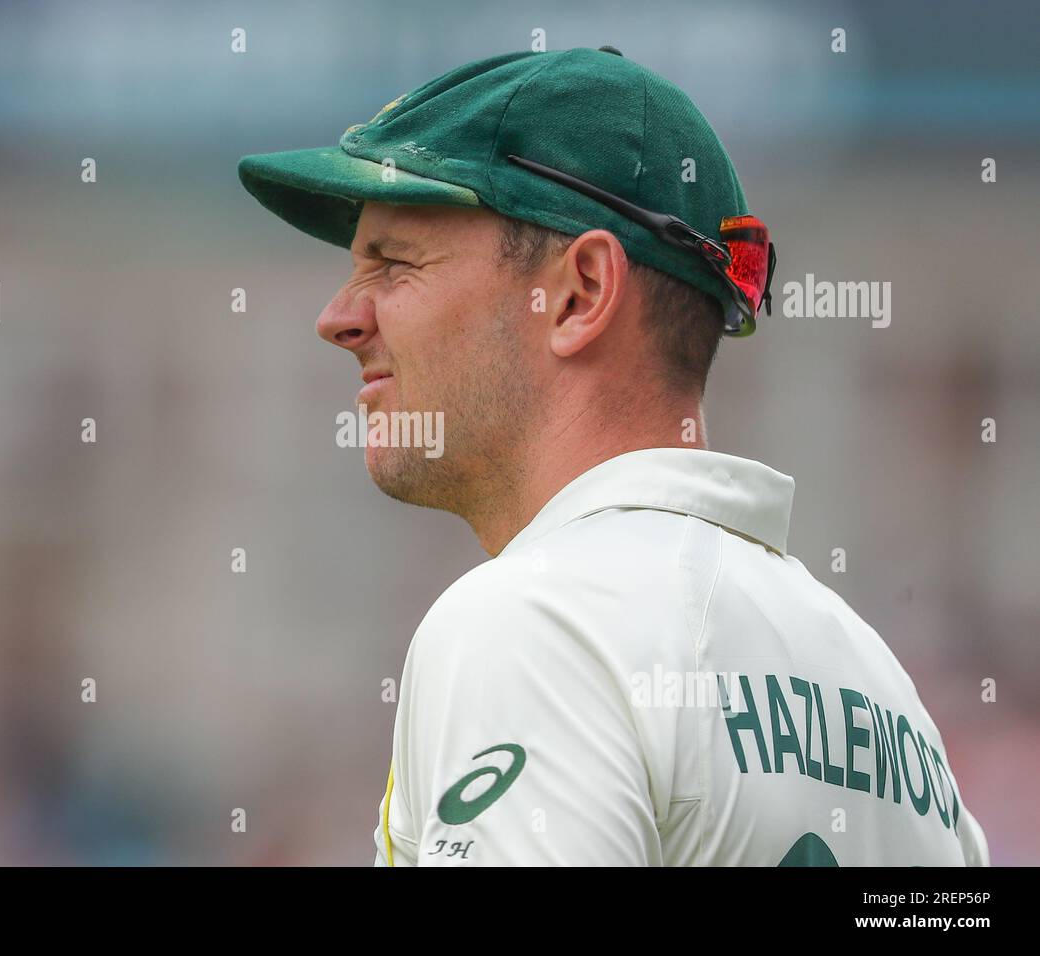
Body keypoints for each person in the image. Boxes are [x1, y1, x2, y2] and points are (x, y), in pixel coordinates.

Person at [238, 47, 989, 866]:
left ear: (581, 291)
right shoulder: (883, 694)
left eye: (393, 262)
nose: (340, 317)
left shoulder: (534, 623)